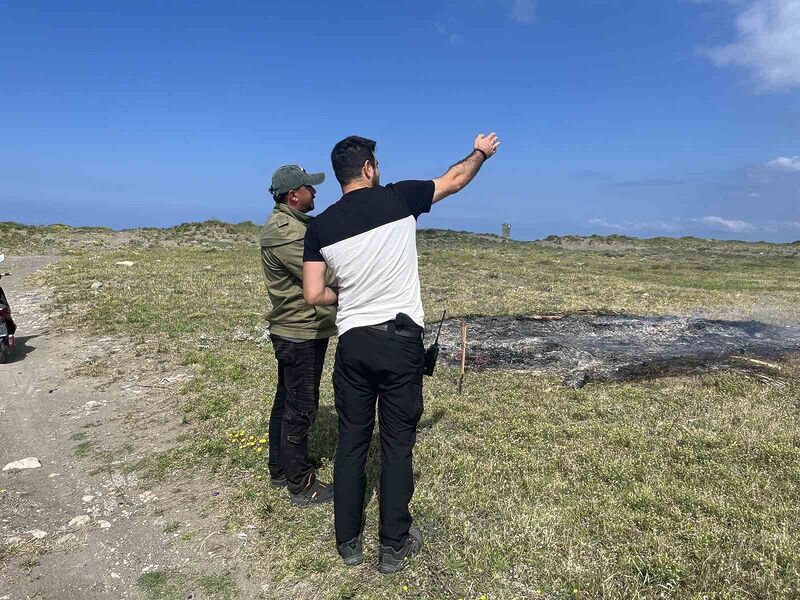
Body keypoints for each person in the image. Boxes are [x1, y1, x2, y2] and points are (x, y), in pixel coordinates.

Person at [303, 133, 500, 572]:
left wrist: (350, 294)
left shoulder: (320, 228)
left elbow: (314, 293)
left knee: (352, 442)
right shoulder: (399, 198)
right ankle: (393, 545)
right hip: (399, 341)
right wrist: (481, 152)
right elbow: (454, 179)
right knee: (396, 445)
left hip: (352, 343)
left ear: (339, 176)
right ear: (369, 168)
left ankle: (348, 544)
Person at [259, 164, 337, 506]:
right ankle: (300, 483)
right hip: (299, 330)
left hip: (298, 327)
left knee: (287, 400)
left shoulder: (290, 225)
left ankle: (279, 468)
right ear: (294, 195)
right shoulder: (287, 233)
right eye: (309, 187)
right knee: (301, 406)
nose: (315, 191)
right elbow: (324, 273)